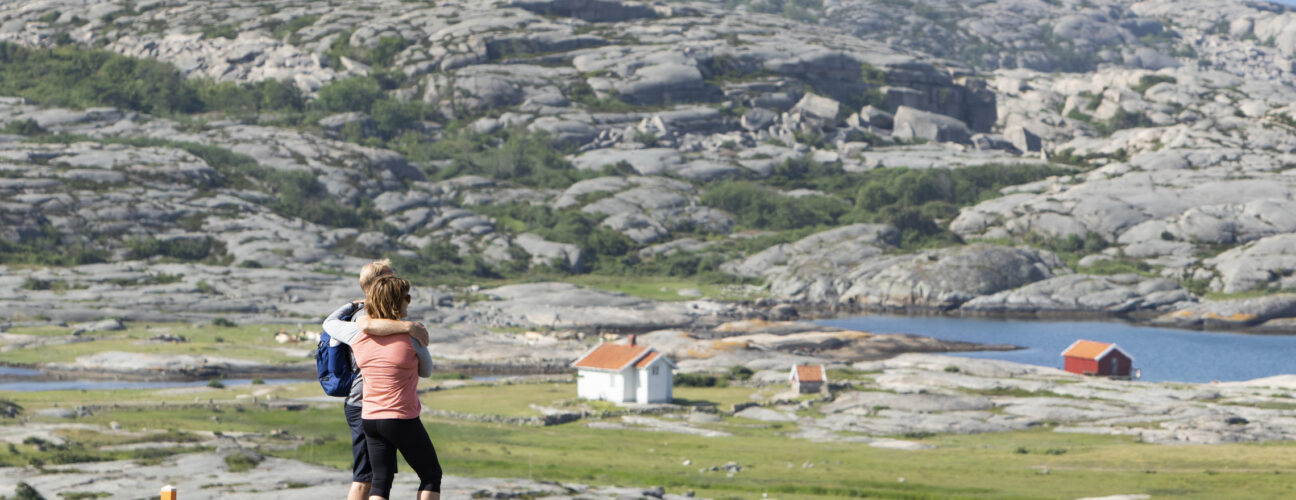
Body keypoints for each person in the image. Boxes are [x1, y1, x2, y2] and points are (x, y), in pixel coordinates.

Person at [322, 259, 431, 500]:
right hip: (367, 403)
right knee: (366, 478)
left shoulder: (372, 318)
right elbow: (365, 326)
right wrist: (409, 327)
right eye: (389, 278)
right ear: (375, 285)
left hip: (369, 408)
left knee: (378, 480)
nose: (393, 281)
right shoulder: (365, 317)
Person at [353, 274, 442, 500]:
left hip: (370, 417)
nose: (409, 302)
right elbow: (427, 371)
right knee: (431, 475)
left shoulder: (360, 336)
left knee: (380, 482)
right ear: (397, 302)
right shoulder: (412, 338)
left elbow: (339, 322)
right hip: (401, 416)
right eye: (407, 297)